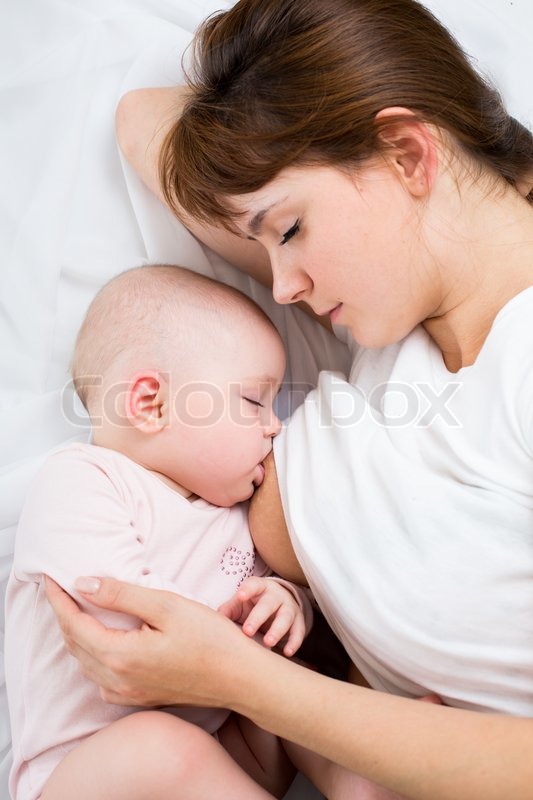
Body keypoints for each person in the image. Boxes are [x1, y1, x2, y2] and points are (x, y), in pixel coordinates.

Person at [45, 0, 533, 797]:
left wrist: (239, 680)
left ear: (408, 155)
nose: (281, 286)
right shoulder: (391, 320)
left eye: (290, 230)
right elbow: (142, 119)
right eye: (267, 241)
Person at [6, 264, 316, 800]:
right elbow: (128, 624)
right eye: (252, 402)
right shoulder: (84, 480)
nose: (275, 425)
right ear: (151, 404)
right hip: (85, 772)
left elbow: (260, 614)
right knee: (161, 745)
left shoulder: (237, 515)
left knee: (305, 696)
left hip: (221, 749)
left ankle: (370, 777)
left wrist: (287, 602)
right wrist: (241, 648)